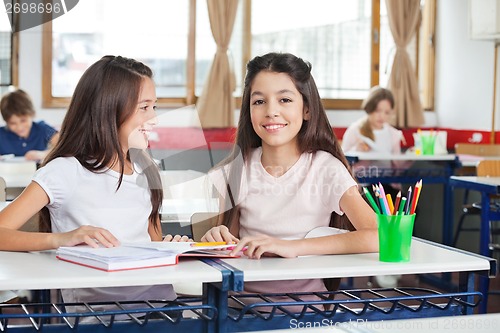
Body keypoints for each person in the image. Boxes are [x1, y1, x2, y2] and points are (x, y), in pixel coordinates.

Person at [0, 56, 189, 313]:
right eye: (145, 107)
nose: (154, 119)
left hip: (162, 309)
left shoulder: (147, 167)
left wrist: (169, 246)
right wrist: (62, 239)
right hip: (98, 316)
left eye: (154, 107)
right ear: (109, 108)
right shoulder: (64, 171)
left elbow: (152, 243)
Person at [202, 52, 378, 297]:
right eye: (259, 101)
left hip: (306, 309)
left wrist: (291, 247)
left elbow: (377, 237)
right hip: (242, 308)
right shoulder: (236, 169)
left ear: (307, 109)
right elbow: (229, 245)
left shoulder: (326, 168)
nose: (271, 111)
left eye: (284, 100)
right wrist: (215, 239)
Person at [0, 89, 59, 161]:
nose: (19, 127)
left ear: (32, 114)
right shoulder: (1, 134)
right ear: (6, 121)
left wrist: (43, 154)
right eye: (12, 123)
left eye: (23, 120)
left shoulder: (42, 128)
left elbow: (64, 146)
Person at [341, 86, 403, 154]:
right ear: (369, 108)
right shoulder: (355, 130)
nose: (382, 116)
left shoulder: (393, 134)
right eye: (377, 111)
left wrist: (410, 156)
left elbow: (397, 163)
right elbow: (343, 158)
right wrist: (356, 150)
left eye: (387, 112)